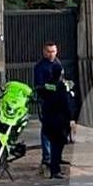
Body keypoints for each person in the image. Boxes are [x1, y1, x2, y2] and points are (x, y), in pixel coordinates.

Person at [36, 63, 77, 179]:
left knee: (55, 143)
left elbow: (40, 91)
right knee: (57, 145)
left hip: (48, 119)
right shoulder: (61, 87)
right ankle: (55, 170)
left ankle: (55, 162)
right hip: (59, 120)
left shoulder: (48, 85)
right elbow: (66, 104)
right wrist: (71, 118)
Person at [34, 42, 63, 177]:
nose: (51, 54)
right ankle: (47, 157)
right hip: (46, 101)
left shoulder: (58, 63)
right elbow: (39, 85)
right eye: (49, 51)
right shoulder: (40, 67)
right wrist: (53, 88)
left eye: (53, 51)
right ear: (44, 52)